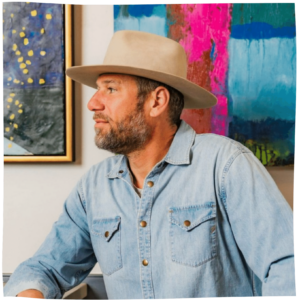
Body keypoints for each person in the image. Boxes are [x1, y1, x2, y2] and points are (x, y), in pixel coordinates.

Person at [3, 30, 295, 299]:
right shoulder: (94, 187)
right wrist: (31, 292)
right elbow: (45, 268)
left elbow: (287, 264)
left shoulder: (226, 166)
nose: (93, 103)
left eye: (111, 89)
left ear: (157, 101)